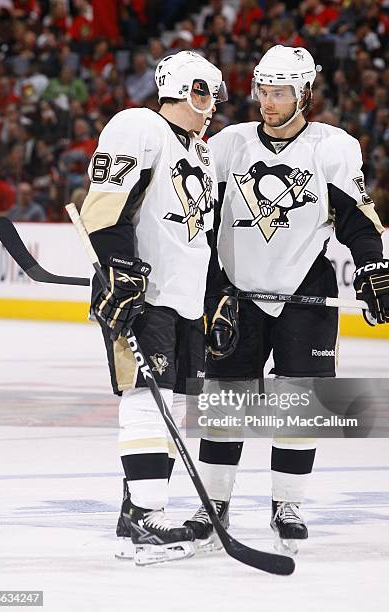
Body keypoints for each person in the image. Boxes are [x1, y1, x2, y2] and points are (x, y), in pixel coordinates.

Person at [184, 46, 389, 554]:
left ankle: (287, 504)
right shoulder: (228, 144)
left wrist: (373, 263)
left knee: (298, 406)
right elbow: (198, 213)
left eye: (279, 92)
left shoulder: (332, 146)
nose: (268, 101)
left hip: (305, 288)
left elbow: (355, 216)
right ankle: (214, 503)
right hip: (234, 291)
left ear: (304, 93)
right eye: (263, 90)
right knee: (226, 403)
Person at [79, 50, 227, 565]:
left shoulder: (201, 154)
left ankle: (137, 508)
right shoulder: (139, 126)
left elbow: (197, 239)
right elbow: (105, 204)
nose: (212, 106)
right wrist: (120, 266)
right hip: (143, 295)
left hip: (183, 302)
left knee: (170, 405)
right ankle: (146, 515)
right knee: (147, 396)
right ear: (187, 90)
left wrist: (214, 299)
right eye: (206, 93)